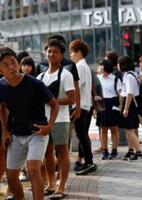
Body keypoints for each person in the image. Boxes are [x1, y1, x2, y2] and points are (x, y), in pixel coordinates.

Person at [0, 47, 59, 200]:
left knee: (33, 168)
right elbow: (1, 106)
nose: (11, 67)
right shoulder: (1, 86)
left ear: (17, 62)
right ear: (0, 70)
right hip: (16, 134)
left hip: (37, 132)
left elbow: (54, 105)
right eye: (5, 65)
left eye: (13, 62)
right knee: (11, 175)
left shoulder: (34, 84)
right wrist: (5, 131)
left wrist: (50, 126)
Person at [37, 38, 75, 198]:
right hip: (43, 120)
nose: (52, 54)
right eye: (49, 51)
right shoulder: (40, 76)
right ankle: (51, 183)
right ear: (45, 53)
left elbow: (71, 99)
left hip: (61, 119)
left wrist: (52, 102)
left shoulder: (66, 74)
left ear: (61, 56)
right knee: (46, 153)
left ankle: (62, 186)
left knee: (62, 152)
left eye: (55, 52)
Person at [69, 39, 97, 175]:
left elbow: (76, 86)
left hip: (81, 105)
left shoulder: (80, 67)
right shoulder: (84, 66)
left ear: (79, 52)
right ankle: (86, 161)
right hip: (86, 104)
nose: (71, 55)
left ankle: (89, 161)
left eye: (72, 52)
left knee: (82, 135)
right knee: (83, 135)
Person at [118, 56, 142, 161]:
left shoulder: (129, 76)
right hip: (129, 103)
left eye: (119, 64)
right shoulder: (128, 74)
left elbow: (129, 93)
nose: (118, 66)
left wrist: (126, 109)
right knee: (128, 129)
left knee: (130, 130)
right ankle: (130, 151)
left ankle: (139, 153)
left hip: (130, 104)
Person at [97, 59, 121, 160]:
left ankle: (114, 150)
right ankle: (105, 150)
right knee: (103, 129)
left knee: (114, 128)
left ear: (105, 67)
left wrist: (121, 106)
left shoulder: (115, 79)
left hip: (113, 103)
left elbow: (120, 94)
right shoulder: (98, 78)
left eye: (101, 65)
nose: (99, 67)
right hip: (102, 103)